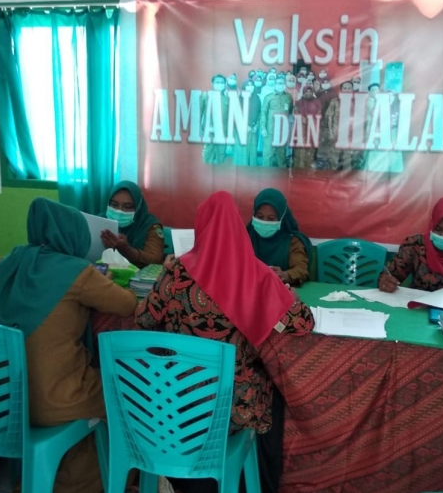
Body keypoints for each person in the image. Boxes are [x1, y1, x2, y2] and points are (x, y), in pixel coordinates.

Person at [135, 191, 315, 493]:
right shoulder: (256, 275)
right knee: (272, 391)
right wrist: (290, 300)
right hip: (231, 408)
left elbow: (143, 321)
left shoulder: (174, 272)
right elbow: (302, 324)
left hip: (175, 400)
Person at [0, 197, 138, 493]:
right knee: (130, 392)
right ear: (74, 234)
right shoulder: (77, 271)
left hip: (0, 396)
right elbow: (128, 303)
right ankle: (116, 480)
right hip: (52, 400)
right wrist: (99, 280)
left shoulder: (8, 263)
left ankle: (61, 473)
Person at [247, 188, 313, 287]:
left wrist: (285, 275)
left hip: (283, 293)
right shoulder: (247, 236)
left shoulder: (292, 241)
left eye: (271, 218)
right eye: (259, 217)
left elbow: (300, 269)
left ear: (282, 217)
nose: (265, 222)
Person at [100, 181, 165, 268]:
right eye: (114, 205)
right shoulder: (99, 220)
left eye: (127, 207)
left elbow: (155, 260)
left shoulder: (150, 225)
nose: (119, 211)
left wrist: (127, 250)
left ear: (138, 207)